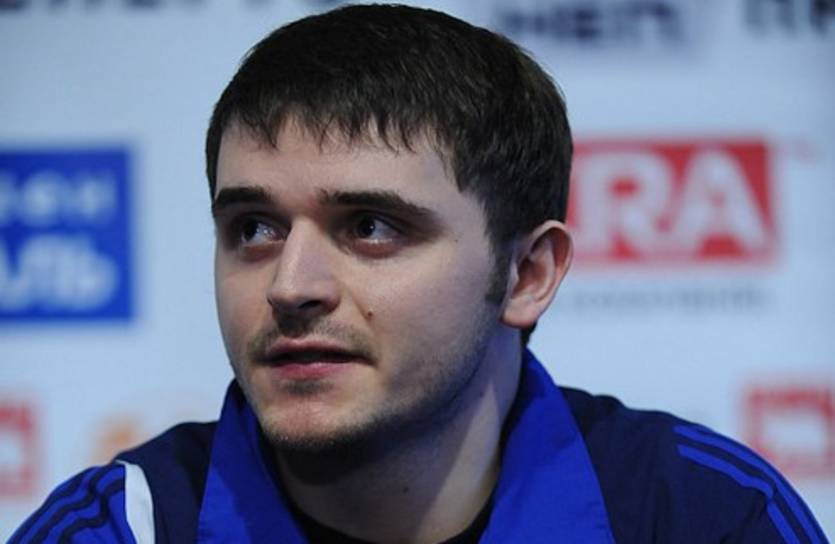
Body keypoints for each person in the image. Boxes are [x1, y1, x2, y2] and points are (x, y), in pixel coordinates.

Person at [12, 4, 827, 543]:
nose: (290, 285)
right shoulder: (119, 530)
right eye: (253, 228)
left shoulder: (704, 517)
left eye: (370, 227)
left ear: (527, 274)